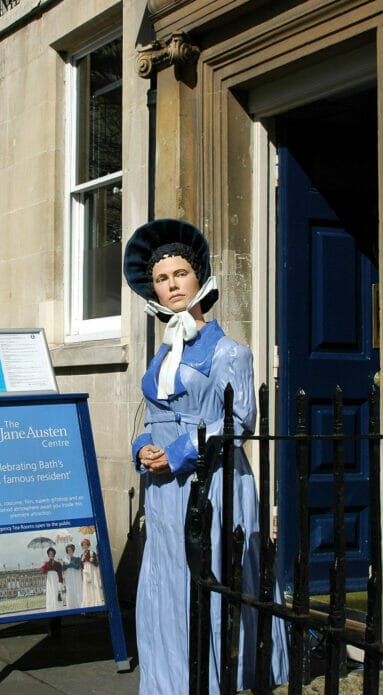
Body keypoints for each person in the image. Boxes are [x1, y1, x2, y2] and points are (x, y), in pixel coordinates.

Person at [123, 219, 289, 693]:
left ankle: (220, 681)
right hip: (163, 493)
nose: (172, 285)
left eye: (180, 274)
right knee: (167, 588)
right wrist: (142, 447)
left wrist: (175, 453)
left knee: (212, 582)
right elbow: (151, 414)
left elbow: (236, 426)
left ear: (200, 278)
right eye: (161, 278)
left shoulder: (229, 352)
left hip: (211, 484)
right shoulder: (163, 354)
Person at [79, 538, 104, 607]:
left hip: (92, 571)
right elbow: (81, 566)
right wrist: (82, 574)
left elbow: (96, 564)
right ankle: (88, 602)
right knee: (87, 586)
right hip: (85, 572)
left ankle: (95, 601)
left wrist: (92, 560)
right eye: (83, 545)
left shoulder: (92, 553)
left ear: (88, 545)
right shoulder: (82, 555)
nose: (85, 546)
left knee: (93, 584)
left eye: (86, 544)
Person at [62, 543, 83, 609]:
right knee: (70, 592)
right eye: (68, 550)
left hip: (76, 578)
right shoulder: (65, 559)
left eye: (70, 550)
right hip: (69, 578)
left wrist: (69, 563)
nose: (69, 551)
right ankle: (71, 607)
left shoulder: (77, 558)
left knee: (77, 591)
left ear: (73, 550)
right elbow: (63, 568)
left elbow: (77, 567)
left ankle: (79, 606)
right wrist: (66, 564)